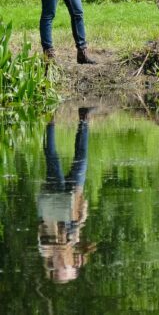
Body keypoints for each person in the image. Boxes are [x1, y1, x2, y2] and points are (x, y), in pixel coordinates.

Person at [37, 108, 96, 283]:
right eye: (69, 265)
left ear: (53, 265)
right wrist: (82, 254)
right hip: (72, 197)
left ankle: (50, 122)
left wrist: (63, 245)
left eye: (62, 266)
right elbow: (90, 242)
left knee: (53, 159)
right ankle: (84, 118)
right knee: (82, 159)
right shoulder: (72, 242)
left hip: (55, 201)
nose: (65, 262)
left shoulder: (46, 250)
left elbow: (44, 229)